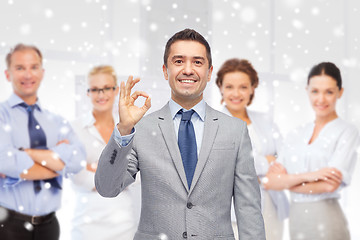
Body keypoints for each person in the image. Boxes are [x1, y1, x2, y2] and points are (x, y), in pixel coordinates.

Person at [95, 28, 265, 240]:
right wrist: (123, 129)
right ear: (165, 71)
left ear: (209, 72)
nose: (188, 70)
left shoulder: (235, 130)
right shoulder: (141, 129)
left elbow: (249, 209)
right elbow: (107, 187)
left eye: (197, 62)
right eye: (178, 61)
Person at [263, 62, 360, 240]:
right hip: (297, 221)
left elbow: (330, 185)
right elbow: (269, 182)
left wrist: (286, 181)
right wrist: (310, 176)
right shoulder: (296, 134)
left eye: (329, 92)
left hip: (327, 220)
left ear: (340, 92)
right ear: (307, 90)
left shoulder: (347, 131)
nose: (321, 99)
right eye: (315, 91)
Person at [0, 44, 85, 240]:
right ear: (7, 74)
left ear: (42, 72)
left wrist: (25, 153)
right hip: (9, 226)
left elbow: (77, 161)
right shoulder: (2, 116)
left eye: (34, 67)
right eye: (20, 68)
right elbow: (4, 161)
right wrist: (57, 161)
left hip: (50, 226)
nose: (28, 75)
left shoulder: (57, 121)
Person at [216, 58, 288, 240]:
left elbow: (286, 159)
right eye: (230, 86)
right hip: (233, 209)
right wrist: (267, 161)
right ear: (220, 87)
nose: (236, 93)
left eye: (243, 87)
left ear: (252, 88)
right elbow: (227, 166)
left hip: (272, 204)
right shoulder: (214, 124)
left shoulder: (266, 121)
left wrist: (257, 166)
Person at [70, 65, 137, 240]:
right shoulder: (75, 128)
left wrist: (96, 168)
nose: (101, 95)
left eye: (106, 88)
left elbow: (137, 171)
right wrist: (116, 172)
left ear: (115, 90)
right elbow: (75, 173)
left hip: (123, 220)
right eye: (95, 89)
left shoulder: (129, 126)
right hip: (87, 221)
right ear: (88, 93)